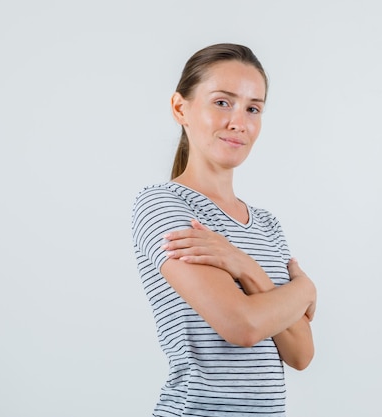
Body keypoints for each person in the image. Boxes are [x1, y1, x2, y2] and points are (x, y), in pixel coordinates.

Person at [131, 43, 317, 417]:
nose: (239, 122)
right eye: (222, 102)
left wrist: (244, 266)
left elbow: (300, 354)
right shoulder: (163, 205)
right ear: (180, 108)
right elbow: (243, 326)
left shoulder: (266, 224)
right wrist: (302, 291)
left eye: (253, 108)